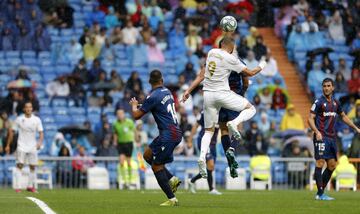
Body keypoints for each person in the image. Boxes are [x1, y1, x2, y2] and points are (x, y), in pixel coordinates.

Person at [182, 36, 266, 178]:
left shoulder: (211, 54)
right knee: (242, 121)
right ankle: (232, 149)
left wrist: (188, 91)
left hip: (209, 96)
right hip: (228, 96)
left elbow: (201, 76)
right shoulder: (234, 60)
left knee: (217, 130)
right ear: (231, 47)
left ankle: (204, 157)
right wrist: (262, 65)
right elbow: (247, 78)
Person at [130, 70, 182, 206]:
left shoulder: (152, 96)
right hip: (173, 132)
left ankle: (172, 199)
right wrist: (143, 105)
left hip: (168, 134)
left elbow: (136, 116)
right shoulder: (167, 92)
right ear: (162, 80)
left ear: (149, 82)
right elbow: (158, 105)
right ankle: (172, 179)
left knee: (156, 166)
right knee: (147, 155)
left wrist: (134, 106)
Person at [308, 78, 360, 200]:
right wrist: (316, 132)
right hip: (321, 137)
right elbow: (310, 119)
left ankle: (321, 192)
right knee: (320, 162)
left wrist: (356, 128)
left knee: (332, 165)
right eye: (324, 86)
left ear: (333, 88)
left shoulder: (336, 103)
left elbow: (344, 116)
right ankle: (320, 194)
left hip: (332, 138)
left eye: (328, 86)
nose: (326, 88)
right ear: (322, 88)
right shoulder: (318, 102)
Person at [5, 102, 44, 193]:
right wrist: (7, 145)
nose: (28, 109)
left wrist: (39, 142)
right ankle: (18, 187)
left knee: (33, 166)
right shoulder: (19, 119)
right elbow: (12, 132)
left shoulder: (37, 120)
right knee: (19, 165)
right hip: (21, 145)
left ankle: (30, 186)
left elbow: (41, 132)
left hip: (32, 146)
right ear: (24, 109)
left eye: (30, 107)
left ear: (32, 109)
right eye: (26, 107)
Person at [187, 112, 222, 195]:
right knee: (211, 165)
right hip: (204, 141)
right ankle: (211, 189)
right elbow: (196, 125)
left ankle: (192, 180)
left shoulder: (222, 113)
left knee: (210, 168)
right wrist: (190, 140)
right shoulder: (205, 111)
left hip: (213, 144)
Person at [112, 109, 135, 188]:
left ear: (124, 114)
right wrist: (115, 141)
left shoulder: (129, 122)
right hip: (121, 143)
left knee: (128, 162)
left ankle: (130, 179)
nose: (119, 115)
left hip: (129, 143)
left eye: (121, 113)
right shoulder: (115, 124)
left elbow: (134, 131)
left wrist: (136, 139)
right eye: (118, 114)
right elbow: (115, 133)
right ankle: (124, 180)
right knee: (121, 162)